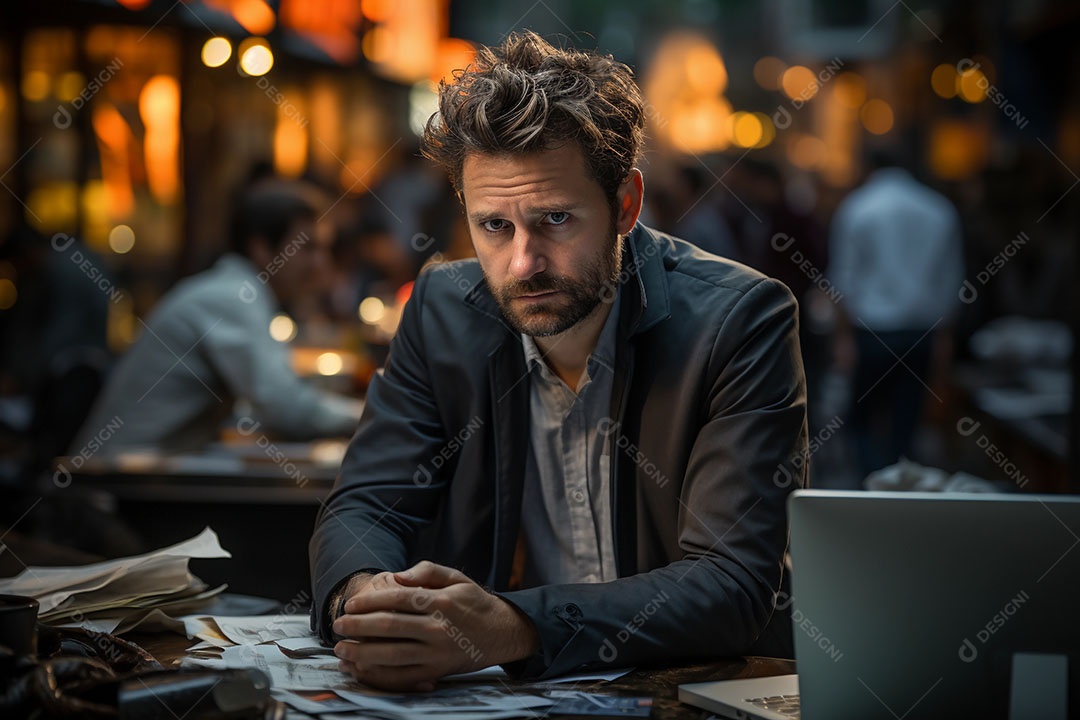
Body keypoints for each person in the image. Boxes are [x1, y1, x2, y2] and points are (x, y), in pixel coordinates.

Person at [311, 31, 808, 690]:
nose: (523, 263)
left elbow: (732, 583)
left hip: (692, 691)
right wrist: (369, 600)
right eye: (494, 226)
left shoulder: (740, 321)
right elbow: (366, 507)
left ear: (625, 205)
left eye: (555, 220)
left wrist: (513, 626)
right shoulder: (440, 308)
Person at [73, 179, 361, 454]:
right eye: (308, 248)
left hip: (140, 471)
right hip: (119, 481)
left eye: (324, 248)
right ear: (261, 249)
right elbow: (286, 407)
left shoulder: (234, 290)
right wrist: (372, 415)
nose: (321, 262)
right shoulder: (233, 297)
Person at [828, 150, 964, 481]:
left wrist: (843, 337)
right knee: (906, 424)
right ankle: (897, 493)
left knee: (860, 421)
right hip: (921, 332)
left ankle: (872, 487)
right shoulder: (938, 208)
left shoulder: (858, 206)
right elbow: (951, 280)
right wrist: (944, 337)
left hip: (872, 332)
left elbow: (844, 278)